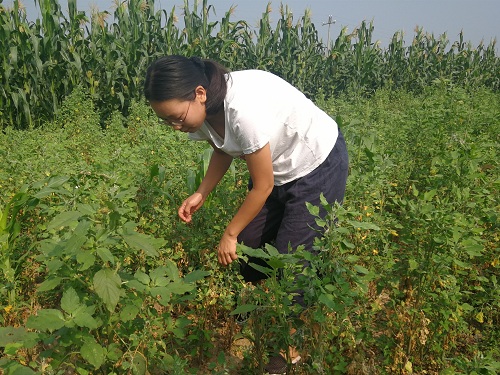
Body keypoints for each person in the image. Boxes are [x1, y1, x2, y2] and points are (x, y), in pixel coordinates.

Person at [144, 55, 349, 372]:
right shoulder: (204, 110)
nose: (175, 126)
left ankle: (289, 344)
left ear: (199, 93)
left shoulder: (242, 110)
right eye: (167, 121)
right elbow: (221, 146)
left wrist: (229, 233)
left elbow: (262, 186)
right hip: (277, 168)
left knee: (293, 259)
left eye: (177, 117)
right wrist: (202, 191)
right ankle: (262, 309)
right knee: (252, 248)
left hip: (315, 163)